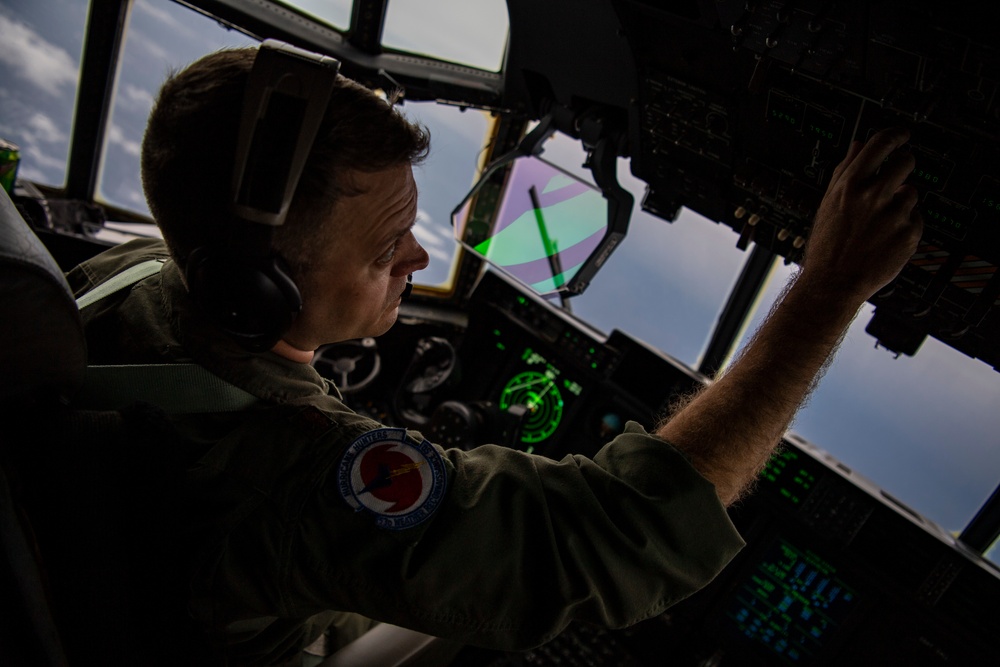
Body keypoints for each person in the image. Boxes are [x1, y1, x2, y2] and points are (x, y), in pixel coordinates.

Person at [64, 43, 921, 666]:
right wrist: (827, 291)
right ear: (259, 288)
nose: (419, 261)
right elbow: (614, 533)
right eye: (385, 248)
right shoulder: (299, 471)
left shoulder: (120, 274)